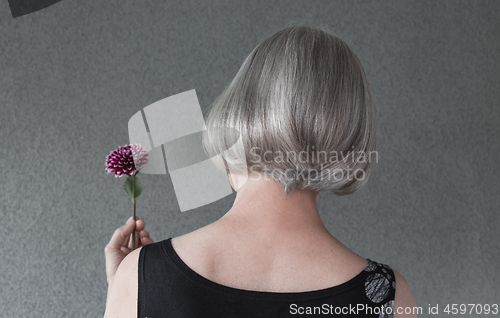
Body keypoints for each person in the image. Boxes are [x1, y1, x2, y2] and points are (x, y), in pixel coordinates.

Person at [104, 24, 417, 318]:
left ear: (238, 114)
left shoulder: (142, 273)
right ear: (348, 135)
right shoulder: (388, 297)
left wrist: (135, 284)